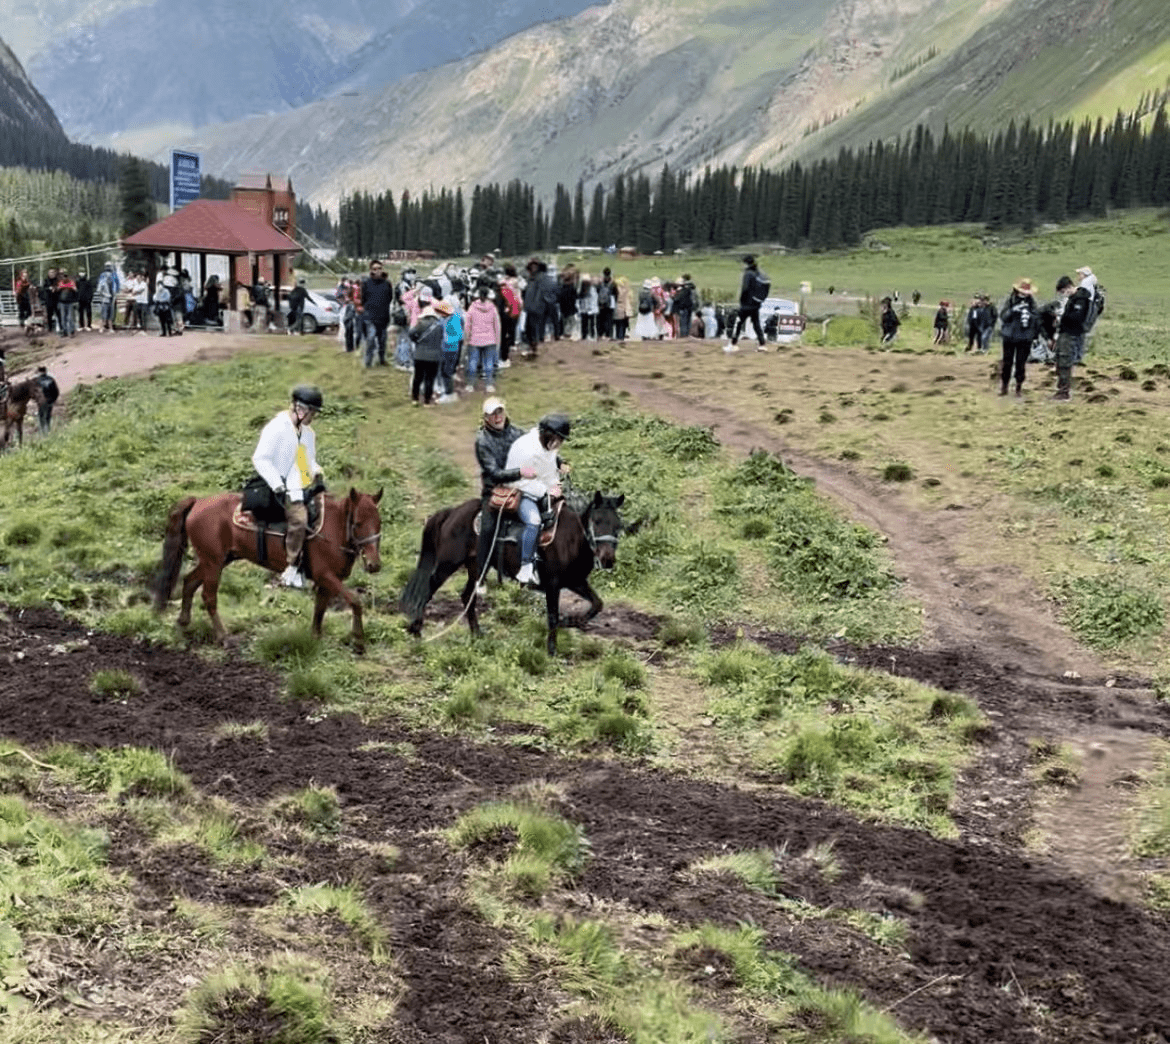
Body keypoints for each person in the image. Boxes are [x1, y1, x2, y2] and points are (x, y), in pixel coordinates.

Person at [251, 385, 325, 588]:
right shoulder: (276, 427)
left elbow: (305, 460)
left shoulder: (308, 433)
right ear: (300, 409)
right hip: (274, 487)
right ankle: (291, 567)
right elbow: (260, 459)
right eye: (312, 412)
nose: (314, 417)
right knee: (300, 519)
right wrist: (277, 484)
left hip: (298, 486)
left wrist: (316, 473)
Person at [474, 396, 534, 593]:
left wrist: (556, 461)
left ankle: (533, 567)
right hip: (495, 491)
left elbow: (535, 449)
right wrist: (520, 472)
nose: (497, 416)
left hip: (521, 487)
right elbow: (493, 472)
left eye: (500, 411)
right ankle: (480, 577)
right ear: (486, 417)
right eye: (493, 414)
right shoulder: (482, 441)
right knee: (488, 529)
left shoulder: (517, 433)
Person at [506, 413, 570, 586]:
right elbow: (519, 480)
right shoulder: (526, 449)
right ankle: (525, 566)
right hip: (521, 490)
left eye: (561, 440)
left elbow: (549, 470)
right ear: (547, 433)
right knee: (534, 521)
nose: (559, 443)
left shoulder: (549, 446)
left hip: (542, 490)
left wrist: (556, 485)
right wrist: (547, 490)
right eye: (557, 438)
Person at [1052, 274, 1092, 401]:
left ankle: (1064, 392)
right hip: (1065, 333)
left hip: (1071, 335)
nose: (1064, 294)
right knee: (1060, 361)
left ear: (1069, 287)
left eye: (1064, 291)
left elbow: (1076, 318)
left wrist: (1062, 318)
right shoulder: (1073, 299)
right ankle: (1061, 389)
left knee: (1065, 362)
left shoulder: (1080, 299)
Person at [998, 278, 1037, 397]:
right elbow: (1003, 316)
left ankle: (1018, 387)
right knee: (1007, 362)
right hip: (1010, 336)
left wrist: (1029, 316)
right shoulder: (1010, 301)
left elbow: (1036, 318)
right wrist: (1012, 311)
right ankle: (1004, 386)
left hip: (1025, 338)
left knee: (1021, 363)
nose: (1024, 295)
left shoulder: (1032, 303)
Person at [408, 296, 445, 407]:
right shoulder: (439, 326)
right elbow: (441, 339)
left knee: (418, 378)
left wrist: (416, 341)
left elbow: (411, 333)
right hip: (434, 356)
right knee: (430, 379)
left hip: (419, 355)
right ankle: (427, 401)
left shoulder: (420, 324)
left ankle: (415, 399)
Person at [465, 285, 501, 394]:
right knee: (489, 362)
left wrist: (467, 338)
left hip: (474, 339)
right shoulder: (492, 308)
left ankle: (471, 384)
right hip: (490, 339)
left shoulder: (472, 307)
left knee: (472, 362)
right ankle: (489, 384)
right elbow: (497, 325)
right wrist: (497, 339)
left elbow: (468, 325)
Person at [727, 255, 768, 352]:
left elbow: (745, 288)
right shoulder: (757, 273)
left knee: (738, 323)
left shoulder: (748, 274)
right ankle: (762, 344)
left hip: (746, 304)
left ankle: (733, 344)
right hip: (755, 304)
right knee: (756, 324)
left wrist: (742, 300)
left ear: (746, 263)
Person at [360, 260, 393, 366]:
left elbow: (389, 298)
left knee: (382, 341)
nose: (377, 271)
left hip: (383, 317)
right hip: (370, 317)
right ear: (371, 271)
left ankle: (382, 360)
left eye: (379, 268)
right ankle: (368, 362)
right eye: (375, 269)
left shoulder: (387, 284)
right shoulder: (366, 284)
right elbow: (363, 299)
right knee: (370, 339)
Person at [33, 366, 59, 434]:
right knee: (48, 416)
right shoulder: (51, 379)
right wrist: (54, 400)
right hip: (49, 400)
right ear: (45, 371)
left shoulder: (36, 380)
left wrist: (35, 400)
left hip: (40, 402)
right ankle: (48, 431)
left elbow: (33, 392)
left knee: (41, 417)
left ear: (38, 372)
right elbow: (56, 391)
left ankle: (42, 433)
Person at [95, 262, 119, 332]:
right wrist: (103, 295)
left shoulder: (114, 275)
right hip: (105, 299)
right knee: (104, 314)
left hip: (112, 298)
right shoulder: (103, 276)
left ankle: (110, 328)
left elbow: (117, 286)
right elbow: (99, 289)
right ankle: (102, 327)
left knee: (111, 314)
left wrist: (115, 294)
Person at [56, 271, 78, 338]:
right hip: (62, 302)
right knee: (63, 318)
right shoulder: (60, 282)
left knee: (70, 318)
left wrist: (75, 301)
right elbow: (57, 292)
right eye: (63, 276)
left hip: (70, 302)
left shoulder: (71, 282)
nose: (64, 277)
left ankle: (71, 331)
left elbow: (76, 291)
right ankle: (64, 332)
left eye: (66, 276)